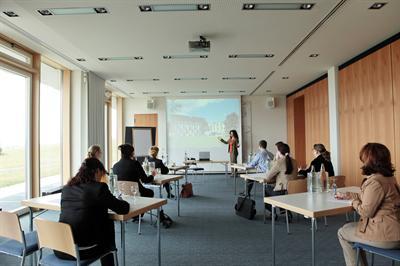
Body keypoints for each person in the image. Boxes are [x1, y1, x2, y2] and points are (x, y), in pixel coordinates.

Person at [55, 158, 130, 266]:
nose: (101, 178)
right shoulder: (99, 188)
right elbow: (123, 209)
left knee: (102, 222)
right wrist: (122, 201)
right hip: (81, 251)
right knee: (108, 226)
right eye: (102, 174)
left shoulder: (67, 188)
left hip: (60, 248)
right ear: (97, 171)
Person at [336, 143, 400, 266]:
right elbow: (371, 198)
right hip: (395, 229)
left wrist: (352, 202)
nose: (363, 163)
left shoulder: (375, 182)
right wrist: (350, 195)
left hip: (388, 236)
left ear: (370, 161)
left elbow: (366, 212)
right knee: (348, 228)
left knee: (342, 232)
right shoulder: (389, 178)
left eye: (363, 159)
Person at [264, 143, 298, 218]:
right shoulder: (295, 161)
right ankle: (284, 210)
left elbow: (268, 176)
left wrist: (275, 159)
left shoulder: (279, 162)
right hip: (294, 191)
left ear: (279, 152)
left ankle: (272, 213)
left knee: (266, 189)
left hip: (282, 191)